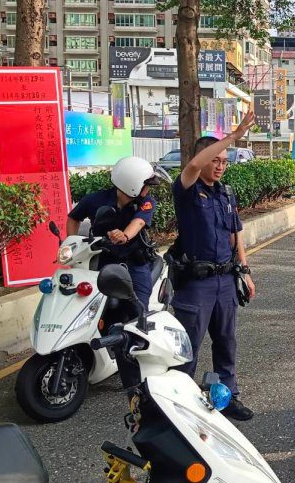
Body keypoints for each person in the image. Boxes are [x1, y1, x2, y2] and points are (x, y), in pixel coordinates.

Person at [169, 113, 256, 422]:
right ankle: (177, 405)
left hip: (224, 280)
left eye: (224, 161)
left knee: (226, 342)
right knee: (188, 346)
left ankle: (228, 396)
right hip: (196, 283)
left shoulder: (225, 193)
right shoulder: (188, 190)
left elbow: (236, 233)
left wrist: (244, 270)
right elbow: (192, 167)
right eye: (215, 159)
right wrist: (232, 137)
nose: (220, 165)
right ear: (202, 158)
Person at [66, 156, 166, 388]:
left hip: (135, 263)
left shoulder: (146, 202)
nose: (148, 189)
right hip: (102, 261)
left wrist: (124, 235)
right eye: (145, 184)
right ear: (131, 184)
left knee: (138, 312)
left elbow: (139, 223)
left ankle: (142, 364)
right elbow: (74, 217)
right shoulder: (96, 200)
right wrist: (70, 243)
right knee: (91, 305)